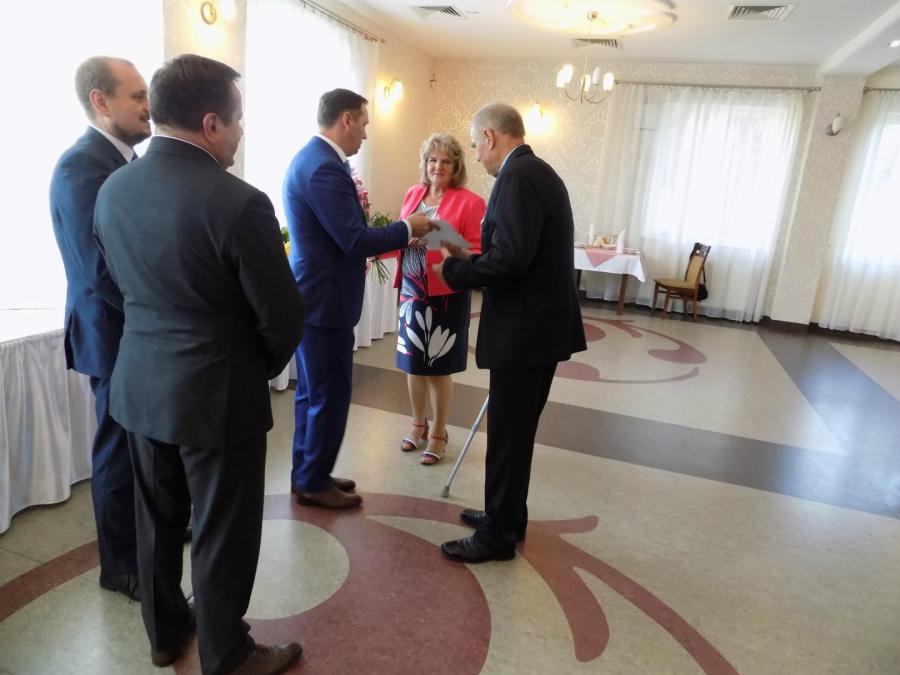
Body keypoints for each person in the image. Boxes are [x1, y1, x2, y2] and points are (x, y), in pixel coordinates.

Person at [94, 54, 305, 674]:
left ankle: (164, 634)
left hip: (140, 385)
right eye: (238, 119)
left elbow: (111, 288)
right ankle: (227, 654)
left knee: (156, 521)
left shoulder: (113, 188)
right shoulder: (240, 202)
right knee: (222, 528)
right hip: (218, 394)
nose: (241, 131)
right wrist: (252, 366)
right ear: (212, 124)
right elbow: (282, 316)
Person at [433, 103, 587, 563]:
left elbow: (511, 259)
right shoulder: (537, 172)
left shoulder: (517, 177)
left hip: (526, 331)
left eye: (476, 145)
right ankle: (508, 516)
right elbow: (517, 252)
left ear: (490, 136)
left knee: (507, 434)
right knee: (515, 432)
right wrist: (472, 257)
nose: (477, 155)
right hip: (537, 328)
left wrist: (456, 269)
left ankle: (497, 536)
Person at [283, 88, 433, 509]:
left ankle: (308, 471)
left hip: (316, 296)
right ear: (346, 119)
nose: (365, 135)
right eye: (364, 124)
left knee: (312, 393)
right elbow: (354, 240)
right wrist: (408, 228)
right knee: (328, 393)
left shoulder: (313, 159)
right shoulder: (323, 168)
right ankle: (313, 480)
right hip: (324, 301)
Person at [49, 56, 151, 601]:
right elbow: (100, 269)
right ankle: (120, 566)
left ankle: (145, 536)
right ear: (100, 101)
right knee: (116, 453)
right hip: (112, 335)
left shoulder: (127, 161)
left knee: (142, 447)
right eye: (137, 96)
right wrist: (161, 311)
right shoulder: (80, 167)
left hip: (136, 332)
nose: (148, 106)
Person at [393, 133, 485, 465]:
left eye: (446, 161)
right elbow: (401, 230)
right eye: (432, 160)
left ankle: (439, 431)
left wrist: (437, 237)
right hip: (412, 290)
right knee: (413, 364)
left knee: (437, 367)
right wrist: (396, 241)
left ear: (456, 166)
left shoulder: (471, 202)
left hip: (445, 292)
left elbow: (475, 252)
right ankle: (418, 424)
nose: (438, 167)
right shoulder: (413, 193)